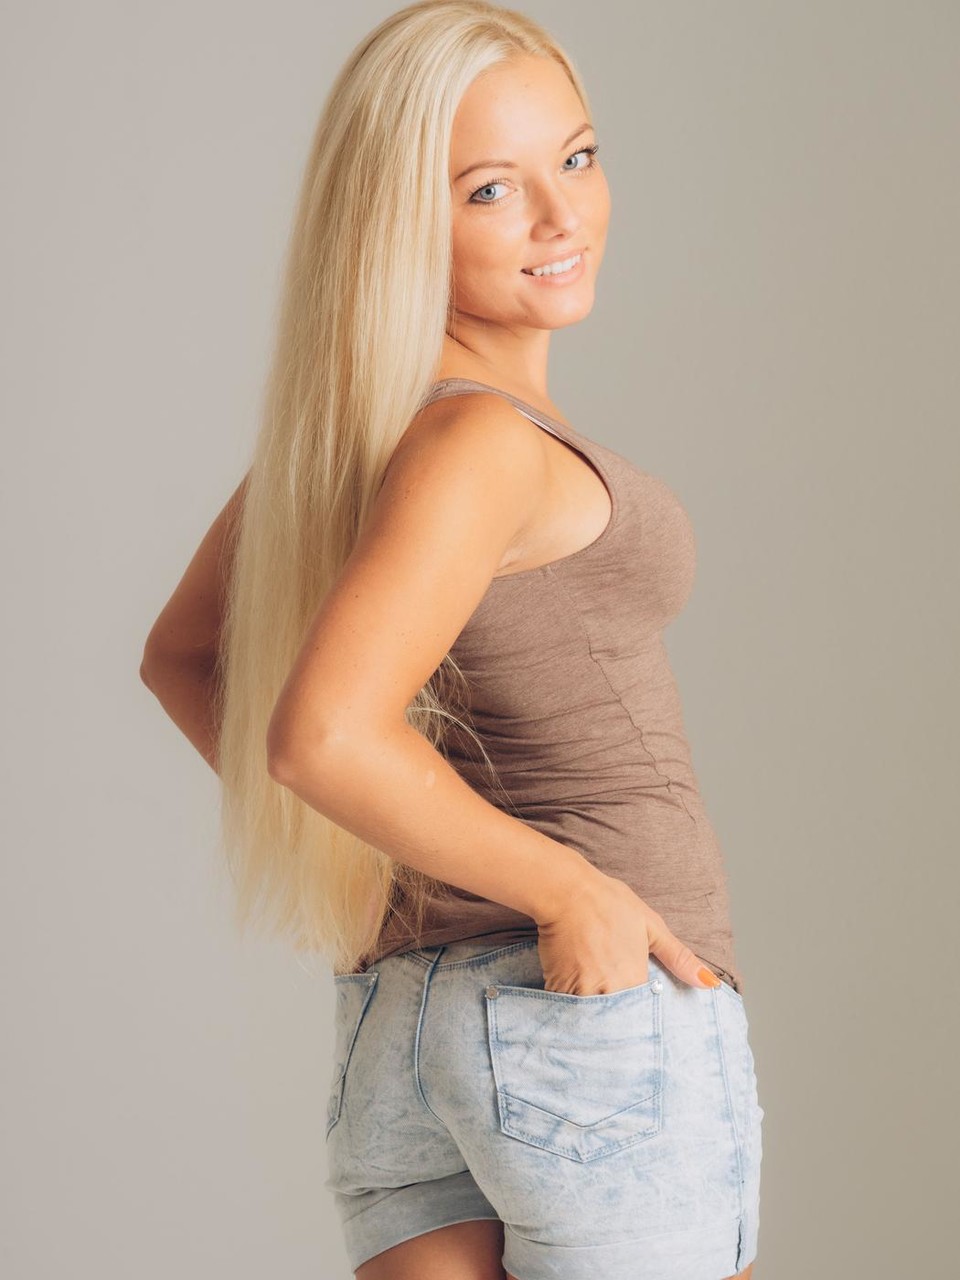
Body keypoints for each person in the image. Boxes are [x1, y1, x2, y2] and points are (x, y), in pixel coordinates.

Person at [140, 3, 764, 1277]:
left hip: (407, 1020)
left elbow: (184, 653)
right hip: (586, 1022)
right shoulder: (478, 440)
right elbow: (321, 734)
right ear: (398, 220)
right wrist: (571, 890)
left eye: (576, 158)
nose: (562, 215)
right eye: (492, 188)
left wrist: (402, 870)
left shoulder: (349, 440)